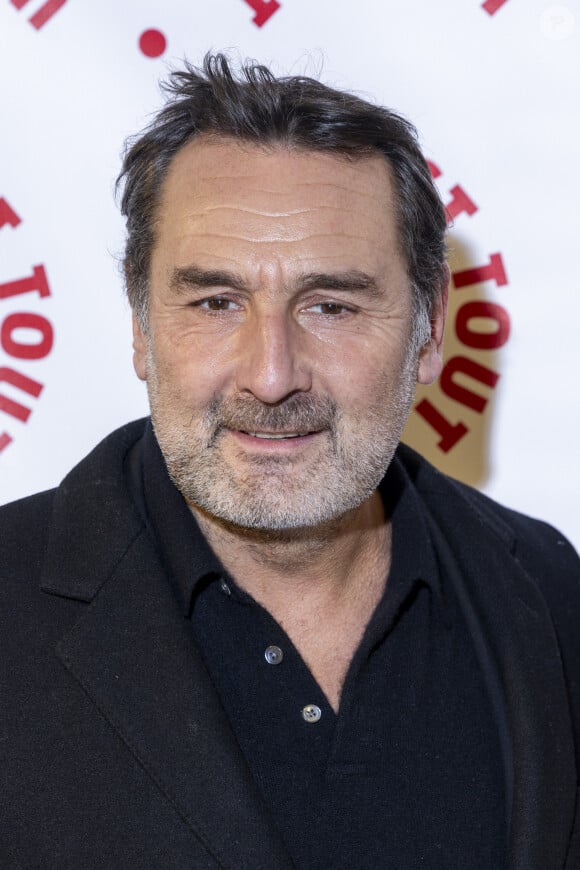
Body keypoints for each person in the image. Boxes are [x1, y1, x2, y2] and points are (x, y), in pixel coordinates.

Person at [1, 53, 579, 870]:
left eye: (332, 305)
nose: (272, 376)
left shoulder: (550, 592)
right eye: (215, 302)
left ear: (429, 329)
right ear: (139, 325)